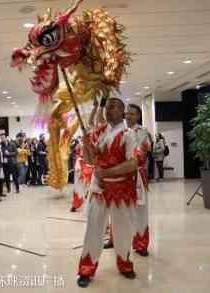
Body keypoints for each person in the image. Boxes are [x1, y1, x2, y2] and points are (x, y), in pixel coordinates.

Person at [77, 97, 138, 287]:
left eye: (112, 107)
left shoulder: (129, 134)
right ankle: (86, 269)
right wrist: (85, 144)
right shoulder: (101, 131)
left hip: (121, 189)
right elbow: (90, 159)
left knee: (122, 230)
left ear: (122, 111)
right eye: (106, 107)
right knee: (93, 229)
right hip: (99, 188)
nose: (107, 110)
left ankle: (124, 264)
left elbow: (133, 163)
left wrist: (107, 172)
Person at [126, 104, 151, 256]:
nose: (128, 115)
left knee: (141, 210)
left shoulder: (143, 132)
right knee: (117, 209)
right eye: (126, 113)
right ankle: (114, 239)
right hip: (119, 176)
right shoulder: (118, 130)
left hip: (137, 176)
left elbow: (144, 151)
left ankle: (141, 244)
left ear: (138, 116)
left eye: (131, 113)